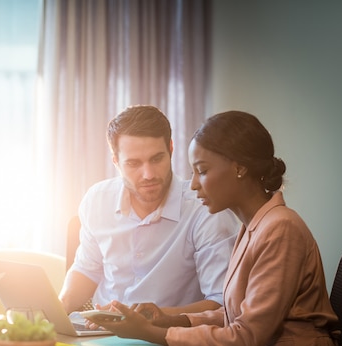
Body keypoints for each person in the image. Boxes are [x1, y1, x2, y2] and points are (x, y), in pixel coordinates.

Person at [88, 111, 342, 346]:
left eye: (203, 171)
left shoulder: (280, 228)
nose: (194, 185)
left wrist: (151, 333)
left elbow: (246, 336)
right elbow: (236, 315)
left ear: (239, 168)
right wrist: (170, 320)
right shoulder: (255, 226)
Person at [59, 105, 239, 315]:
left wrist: (144, 320)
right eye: (134, 163)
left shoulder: (205, 209)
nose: (148, 174)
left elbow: (221, 303)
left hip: (166, 338)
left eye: (157, 159)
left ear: (171, 149)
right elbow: (86, 270)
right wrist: (57, 311)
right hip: (98, 333)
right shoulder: (97, 199)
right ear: (116, 161)